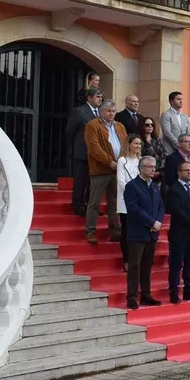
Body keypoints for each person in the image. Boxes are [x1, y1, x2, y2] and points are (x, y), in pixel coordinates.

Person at [122, 156, 164, 310]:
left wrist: (158, 222)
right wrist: (151, 222)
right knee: (135, 265)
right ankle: (132, 296)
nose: (153, 169)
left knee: (147, 264)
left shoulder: (154, 186)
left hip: (152, 233)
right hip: (138, 232)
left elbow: (161, 206)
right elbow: (133, 209)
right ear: (141, 168)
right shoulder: (132, 186)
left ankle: (146, 293)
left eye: (154, 167)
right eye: (150, 167)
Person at [83, 99, 126, 245]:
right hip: (100, 170)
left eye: (114, 111)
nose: (112, 114)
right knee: (94, 202)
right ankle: (90, 231)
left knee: (115, 203)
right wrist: (110, 162)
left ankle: (115, 231)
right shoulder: (93, 125)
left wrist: (122, 162)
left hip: (117, 169)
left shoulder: (120, 126)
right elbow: (94, 148)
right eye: (109, 111)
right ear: (101, 112)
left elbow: (125, 145)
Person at [164, 160, 190, 304]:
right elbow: (176, 210)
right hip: (180, 232)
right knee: (176, 264)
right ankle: (174, 291)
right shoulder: (174, 189)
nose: (189, 172)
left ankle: (188, 289)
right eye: (186, 170)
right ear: (179, 172)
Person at [65, 87, 102, 216]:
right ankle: (78, 206)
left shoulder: (101, 113)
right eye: (97, 97)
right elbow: (70, 131)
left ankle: (92, 207)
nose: (100, 99)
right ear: (89, 98)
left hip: (96, 154)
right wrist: (76, 146)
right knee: (80, 181)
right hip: (81, 152)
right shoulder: (79, 112)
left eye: (101, 97)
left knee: (94, 183)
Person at [116, 133, 144, 263]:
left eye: (139, 143)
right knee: (127, 231)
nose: (138, 146)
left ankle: (138, 258)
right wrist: (134, 192)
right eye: (135, 143)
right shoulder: (122, 160)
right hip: (126, 201)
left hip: (141, 202)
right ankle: (126, 259)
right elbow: (121, 181)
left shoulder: (141, 161)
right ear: (129, 144)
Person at [159, 91, 190, 157]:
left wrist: (187, 144)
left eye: (182, 99)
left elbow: (188, 132)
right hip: (170, 149)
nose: (181, 101)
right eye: (178, 99)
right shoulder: (166, 114)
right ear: (171, 101)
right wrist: (178, 145)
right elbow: (167, 132)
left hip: (184, 149)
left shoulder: (185, 116)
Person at [139, 116, 166, 182]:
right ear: (142, 126)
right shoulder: (139, 141)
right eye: (147, 125)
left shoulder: (158, 140)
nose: (150, 126)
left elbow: (163, 156)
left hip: (159, 173)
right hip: (144, 173)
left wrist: (159, 171)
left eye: (152, 125)